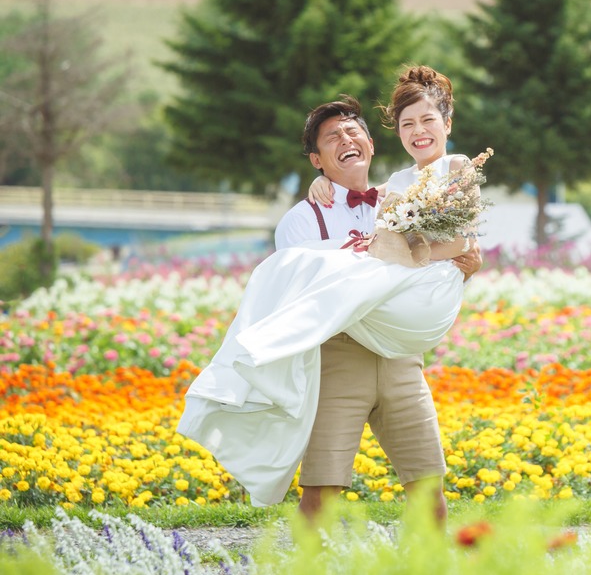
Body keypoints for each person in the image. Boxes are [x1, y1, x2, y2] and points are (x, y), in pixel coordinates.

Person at [178, 67, 482, 526]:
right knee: (322, 491)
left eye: (353, 131)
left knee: (427, 486)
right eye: (331, 138)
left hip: (401, 359)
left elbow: (432, 260)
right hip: (338, 360)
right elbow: (301, 288)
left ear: (373, 143)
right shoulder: (303, 218)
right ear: (316, 159)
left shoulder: (398, 195)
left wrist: (465, 266)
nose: (346, 140)